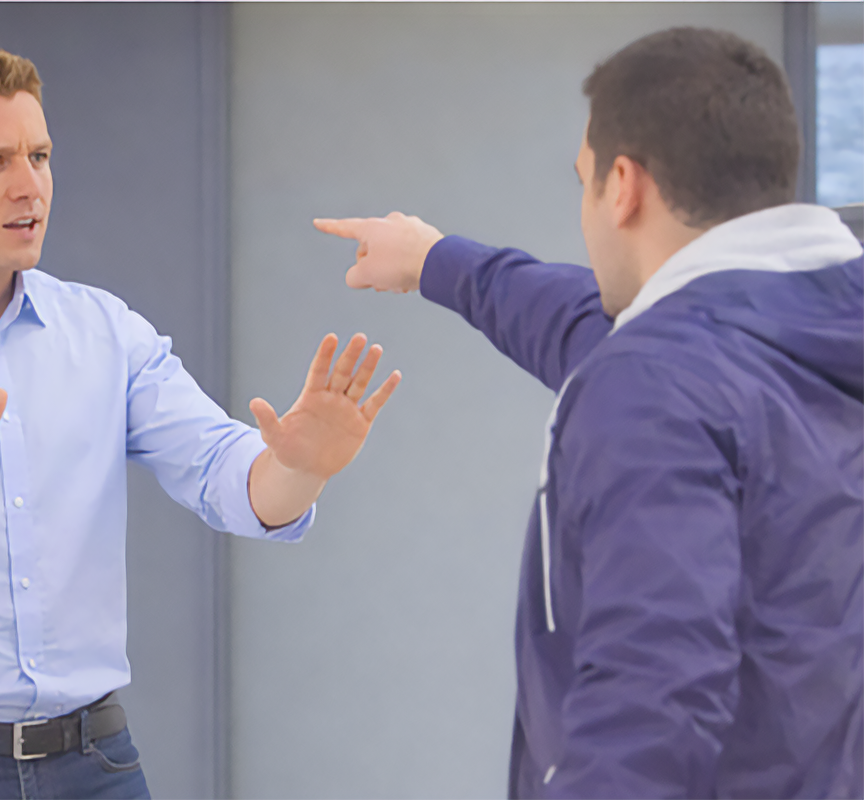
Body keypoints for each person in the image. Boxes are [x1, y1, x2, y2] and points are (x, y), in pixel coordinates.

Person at [0, 44, 400, 800]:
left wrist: (300, 467)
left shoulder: (105, 332)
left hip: (95, 765)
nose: (30, 185)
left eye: (40, 155)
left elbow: (228, 478)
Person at [316, 27, 863, 800]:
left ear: (623, 186)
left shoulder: (656, 383)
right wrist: (435, 258)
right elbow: (596, 322)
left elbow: (652, 703)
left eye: (583, 182)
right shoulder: (795, 333)